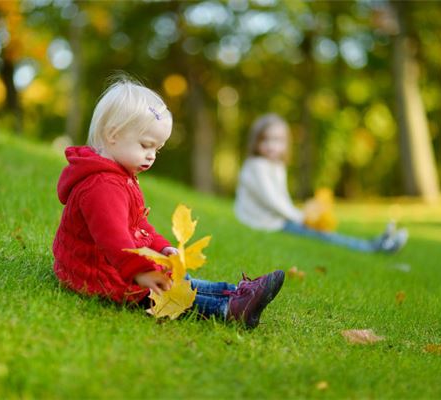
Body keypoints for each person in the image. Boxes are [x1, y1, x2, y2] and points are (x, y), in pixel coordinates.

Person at [52, 77, 284, 328]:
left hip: (119, 263)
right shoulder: (102, 187)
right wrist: (141, 272)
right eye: (145, 145)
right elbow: (114, 239)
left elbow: (138, 224)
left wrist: (161, 247)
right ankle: (228, 308)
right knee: (159, 293)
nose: (151, 156)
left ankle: (236, 292)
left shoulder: (120, 177)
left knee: (174, 278)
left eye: (157, 149)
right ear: (113, 135)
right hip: (97, 273)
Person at [234, 113, 408, 254]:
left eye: (278, 140)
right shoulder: (256, 166)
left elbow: (282, 198)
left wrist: (301, 214)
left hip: (277, 220)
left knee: (323, 231)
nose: (272, 145)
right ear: (256, 142)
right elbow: (271, 200)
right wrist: (300, 217)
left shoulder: (277, 166)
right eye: (266, 140)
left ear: (287, 143)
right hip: (264, 222)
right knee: (322, 235)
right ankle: (373, 247)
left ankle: (376, 243)